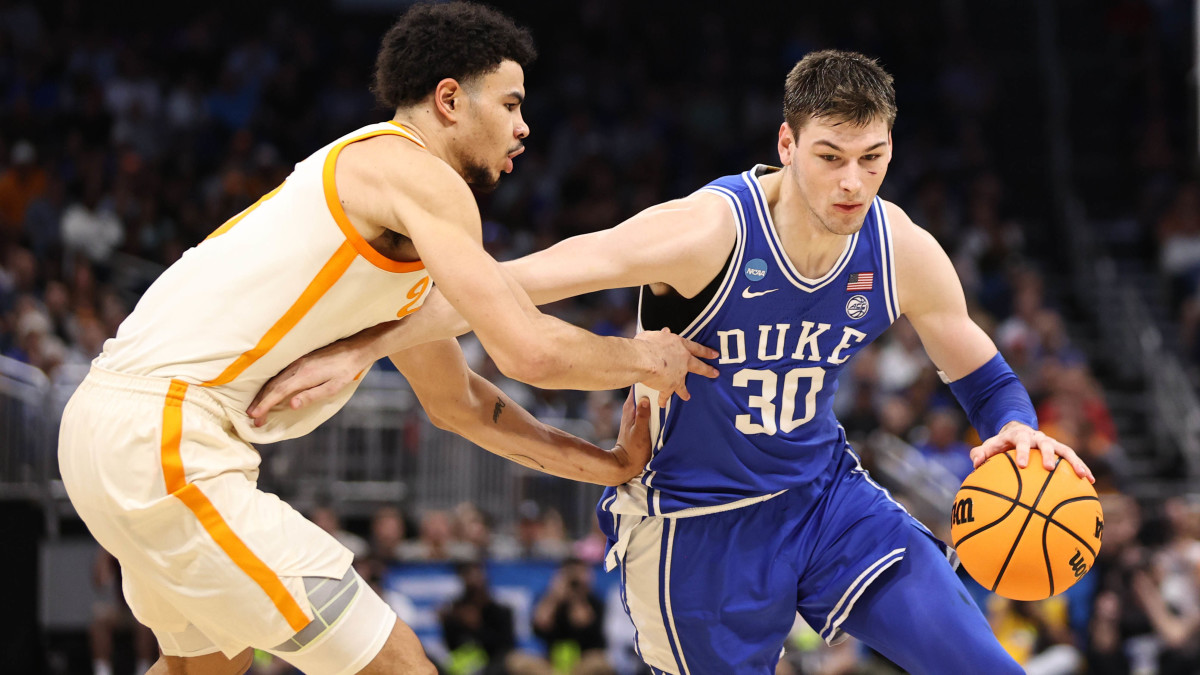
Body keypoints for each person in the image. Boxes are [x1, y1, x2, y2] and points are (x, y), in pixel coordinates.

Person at [250, 50, 1097, 674]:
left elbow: (981, 373)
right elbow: (515, 282)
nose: (852, 183)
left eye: (871, 159)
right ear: (789, 143)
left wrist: (1018, 430)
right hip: (698, 521)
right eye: (831, 157)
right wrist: (361, 348)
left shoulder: (897, 243)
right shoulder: (706, 232)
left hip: (825, 497)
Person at [56, 4, 717, 674]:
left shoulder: (386, 207)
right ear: (450, 100)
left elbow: (457, 403)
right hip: (167, 435)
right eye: (512, 104)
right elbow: (528, 350)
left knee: (205, 668)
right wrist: (646, 357)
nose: (523, 128)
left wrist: (606, 464)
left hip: (115, 430)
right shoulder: (418, 176)